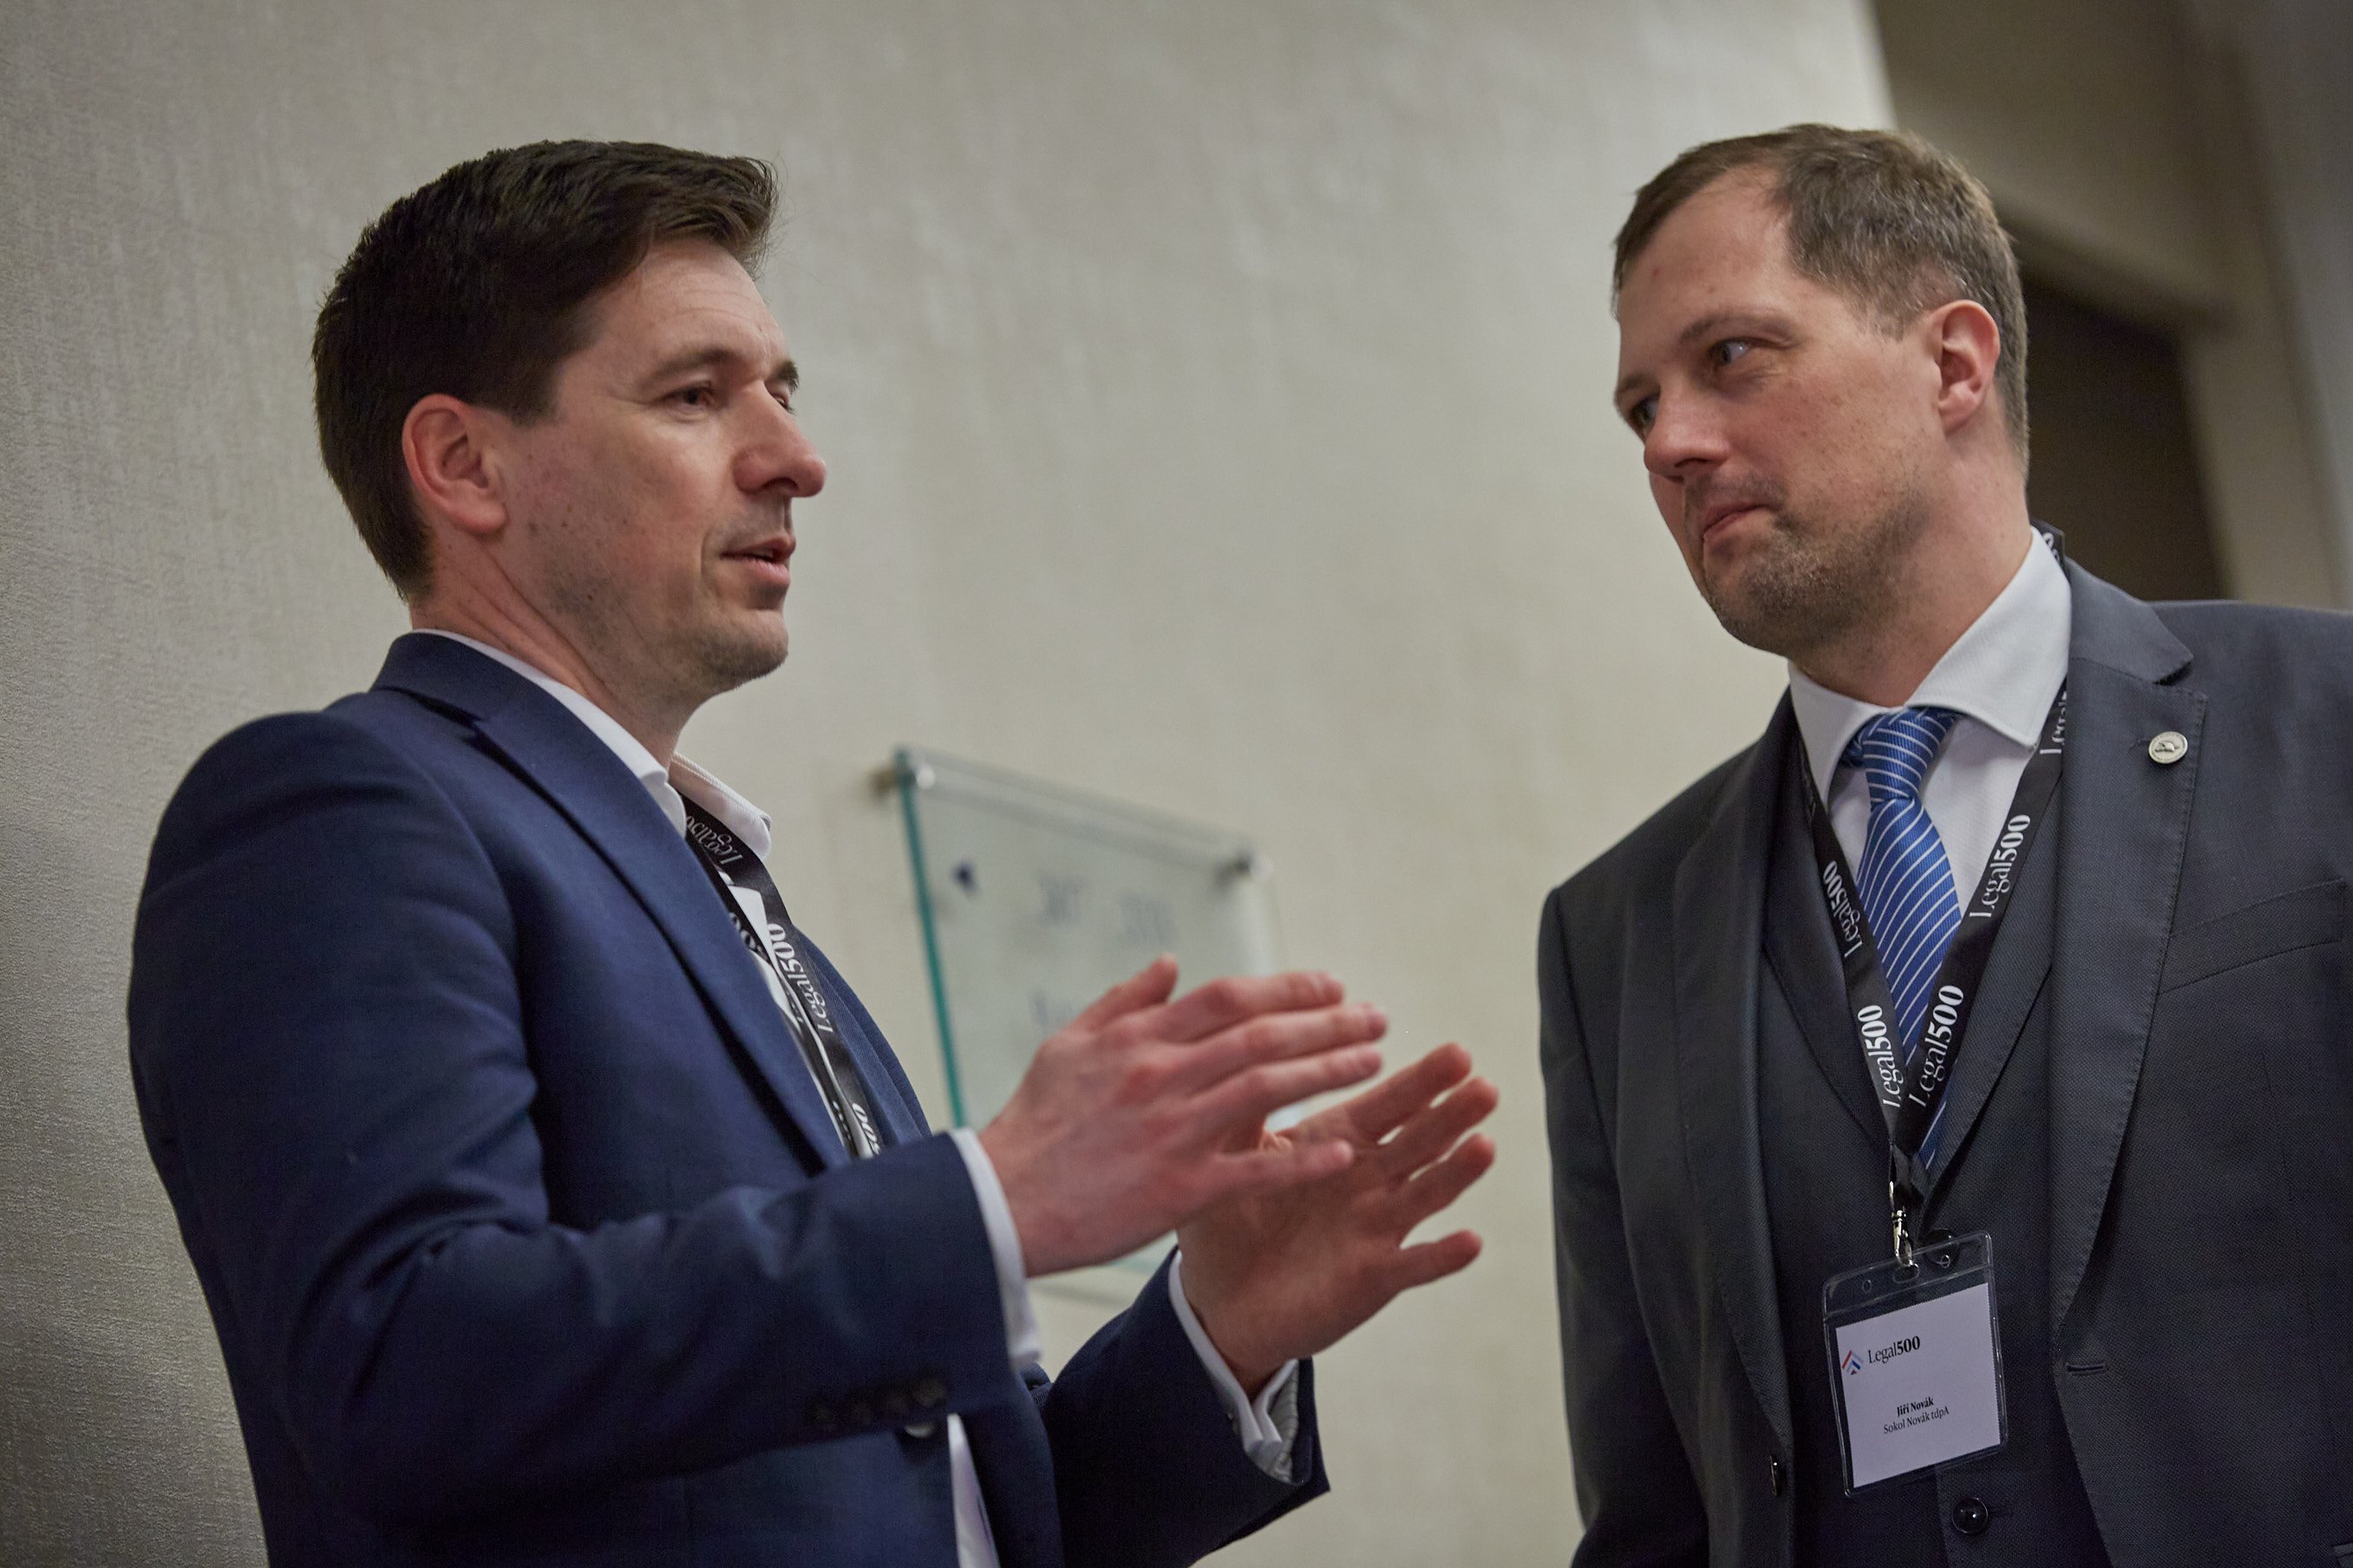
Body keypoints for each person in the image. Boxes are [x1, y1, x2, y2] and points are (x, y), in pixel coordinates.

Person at [127, 140, 1498, 1568]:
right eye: (695, 394)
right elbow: (405, 1366)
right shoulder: (345, 807)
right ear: (465, 467)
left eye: (782, 391)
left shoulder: (717, 882)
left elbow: (960, 1511)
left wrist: (1217, 1337)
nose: (797, 459)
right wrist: (986, 1205)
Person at [1539, 123, 2353, 1568]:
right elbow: (1654, 1506)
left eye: (1731, 356)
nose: (1668, 443)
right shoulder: (1615, 933)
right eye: (1640, 406)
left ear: (1953, 363)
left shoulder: (2323, 725)